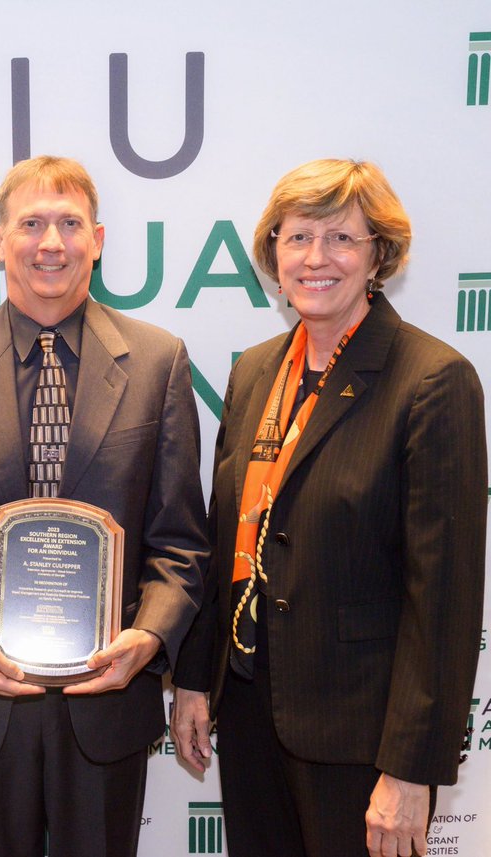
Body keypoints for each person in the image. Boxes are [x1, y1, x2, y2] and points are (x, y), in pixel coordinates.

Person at [0, 155, 207, 857]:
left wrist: (149, 638)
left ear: (97, 238)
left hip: (108, 697)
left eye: (69, 224)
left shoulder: (159, 361)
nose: (51, 243)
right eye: (31, 223)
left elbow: (181, 537)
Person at [171, 158, 486, 857]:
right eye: (297, 237)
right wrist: (195, 678)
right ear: (273, 254)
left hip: (362, 734)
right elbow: (227, 539)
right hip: (251, 708)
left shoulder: (433, 381)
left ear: (379, 253)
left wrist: (409, 767)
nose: (317, 258)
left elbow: (445, 600)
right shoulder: (257, 369)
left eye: (341, 238)